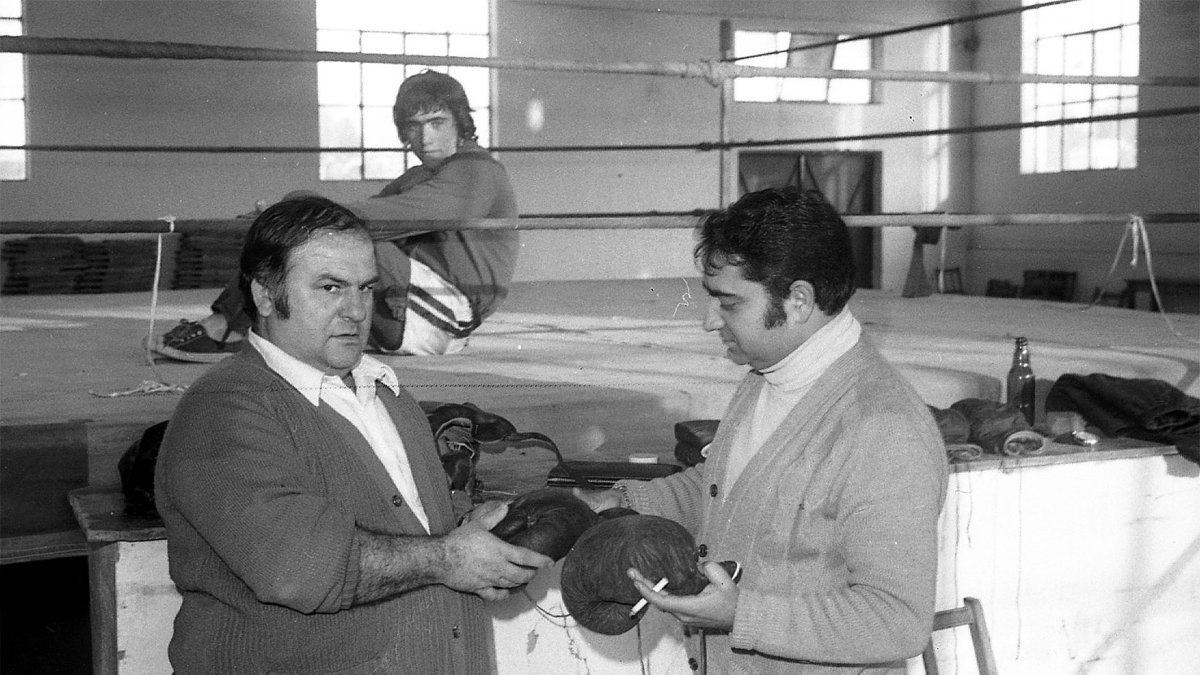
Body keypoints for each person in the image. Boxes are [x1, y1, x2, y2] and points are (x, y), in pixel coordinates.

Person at [154, 196, 551, 674]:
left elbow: (400, 526)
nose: (356, 311)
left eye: (365, 288)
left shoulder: (386, 393)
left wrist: (467, 531)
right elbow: (296, 566)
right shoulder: (225, 407)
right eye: (330, 287)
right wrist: (448, 557)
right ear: (263, 295)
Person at [576, 187, 949, 673]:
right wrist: (621, 505)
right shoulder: (768, 375)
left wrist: (740, 613)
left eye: (728, 302)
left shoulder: (883, 430)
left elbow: (897, 620)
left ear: (798, 300)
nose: (710, 321)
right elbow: (725, 488)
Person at [151, 69, 518, 362]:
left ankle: (228, 326)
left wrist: (296, 215)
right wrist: (296, 213)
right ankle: (242, 324)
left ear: (460, 121)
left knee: (322, 229)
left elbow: (370, 219)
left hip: (443, 316)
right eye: (413, 126)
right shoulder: (420, 176)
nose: (424, 138)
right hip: (410, 302)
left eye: (437, 122)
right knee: (312, 225)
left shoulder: (476, 170)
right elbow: (360, 216)